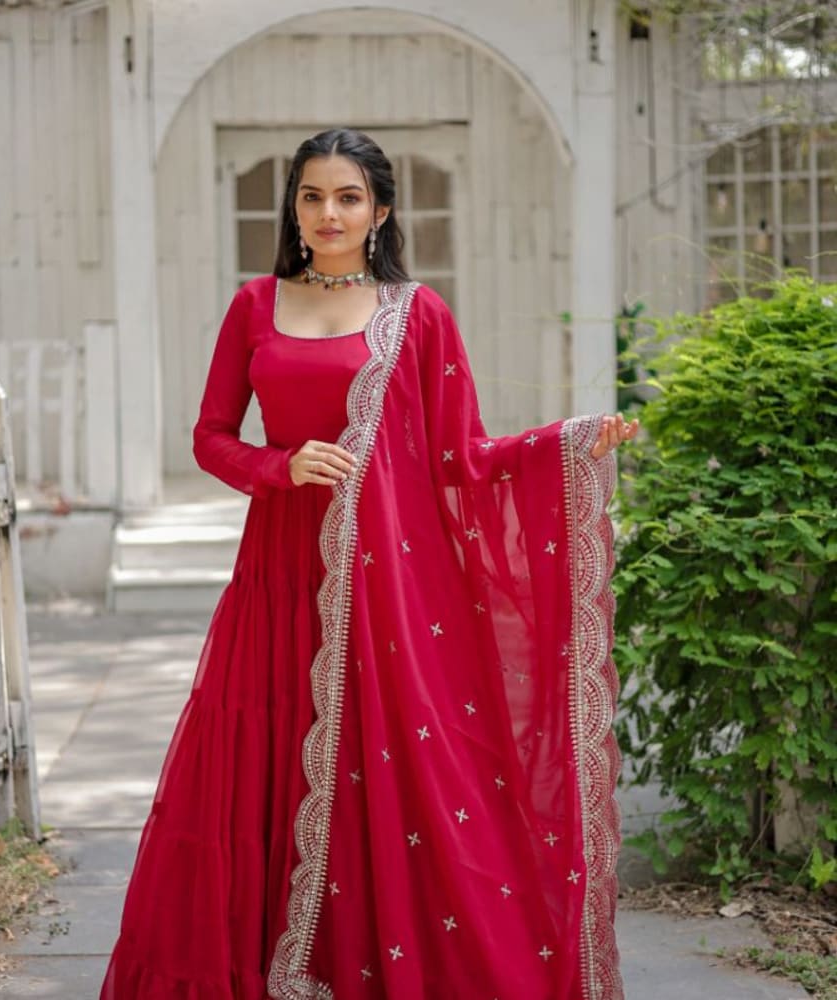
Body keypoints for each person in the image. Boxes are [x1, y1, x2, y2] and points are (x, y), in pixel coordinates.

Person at [100, 127, 637, 1000]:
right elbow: (208, 437)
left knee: (389, 777)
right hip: (278, 579)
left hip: (386, 592)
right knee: (262, 762)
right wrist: (280, 466)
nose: (328, 213)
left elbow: (464, 453)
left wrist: (572, 442)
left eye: (348, 197)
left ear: (381, 212)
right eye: (312, 196)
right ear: (295, 209)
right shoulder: (254, 305)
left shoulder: (417, 314)